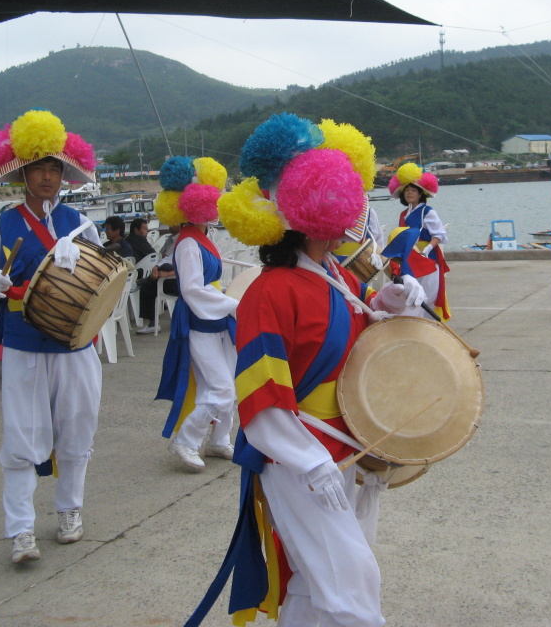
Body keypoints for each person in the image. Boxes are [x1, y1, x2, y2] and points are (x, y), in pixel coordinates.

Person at [183, 113, 424, 627]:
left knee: (315, 586)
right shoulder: (270, 291)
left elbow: (352, 328)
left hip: (343, 444)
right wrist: (308, 461)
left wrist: (389, 300)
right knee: (352, 586)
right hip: (297, 457)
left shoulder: (333, 273)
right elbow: (261, 399)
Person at [0, 109, 103, 565]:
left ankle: (69, 510)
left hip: (74, 340)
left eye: (55, 169)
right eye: (39, 168)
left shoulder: (82, 222)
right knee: (22, 435)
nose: (47, 177)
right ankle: (21, 529)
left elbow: (102, 279)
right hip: (22, 337)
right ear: (22, 172)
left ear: (64, 175)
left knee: (77, 427)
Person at [153, 156, 239, 472]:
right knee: (220, 388)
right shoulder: (188, 243)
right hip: (199, 323)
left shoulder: (203, 237)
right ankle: (186, 441)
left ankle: (218, 440)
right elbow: (191, 290)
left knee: (228, 382)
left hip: (215, 319)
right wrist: (234, 304)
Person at [388, 162, 450, 319]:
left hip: (427, 259)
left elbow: (440, 234)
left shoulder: (428, 212)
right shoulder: (403, 214)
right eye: (407, 190)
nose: (410, 193)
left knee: (428, 296)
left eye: (413, 190)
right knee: (411, 296)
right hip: (409, 260)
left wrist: (427, 249)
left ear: (420, 193)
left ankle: (429, 326)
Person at [135, 225, 179, 334]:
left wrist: (167, 272)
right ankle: (152, 323)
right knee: (149, 286)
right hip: (176, 280)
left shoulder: (191, 242)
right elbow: (167, 257)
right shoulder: (180, 241)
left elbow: (191, 268)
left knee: (162, 271)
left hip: (185, 284)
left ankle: (146, 281)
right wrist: (157, 267)